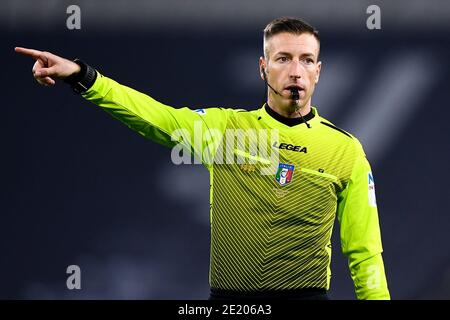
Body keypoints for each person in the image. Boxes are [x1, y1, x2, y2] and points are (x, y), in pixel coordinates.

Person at [15, 17, 390, 300]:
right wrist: (83, 76)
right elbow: (153, 116)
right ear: (263, 67)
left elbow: (365, 253)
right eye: (283, 58)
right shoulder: (226, 129)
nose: (296, 71)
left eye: (307, 60)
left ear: (319, 72)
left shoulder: (345, 151)